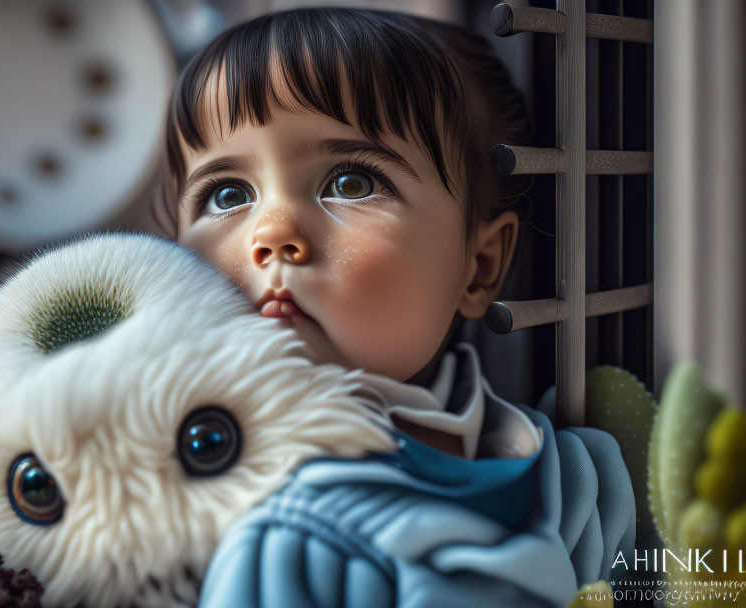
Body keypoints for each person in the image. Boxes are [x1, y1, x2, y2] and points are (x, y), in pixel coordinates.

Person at [153, 8, 635, 605]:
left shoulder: (565, 477)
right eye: (227, 195)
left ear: (478, 266)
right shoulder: (211, 513)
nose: (273, 232)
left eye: (351, 182)